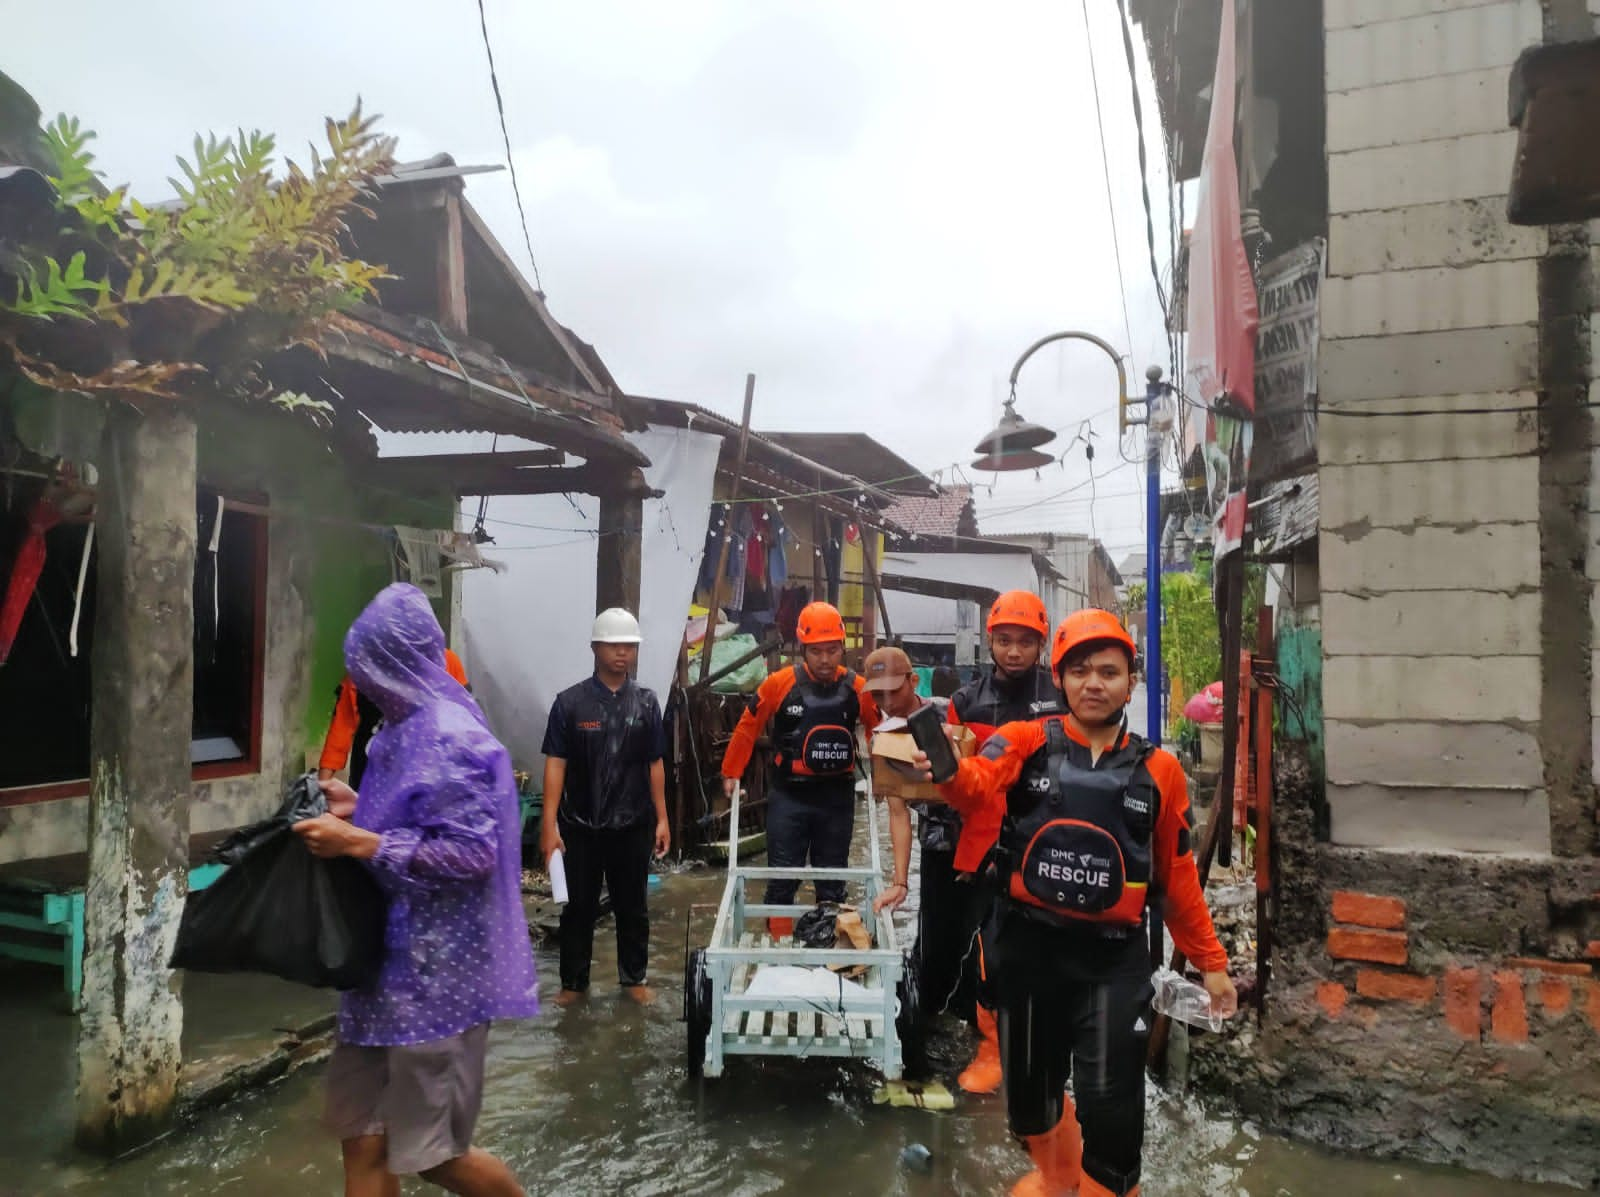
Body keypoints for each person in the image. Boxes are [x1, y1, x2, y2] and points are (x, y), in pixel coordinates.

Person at [918, 608, 1236, 1197]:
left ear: (1130, 682)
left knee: (1112, 1112)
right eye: (1080, 671)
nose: (1094, 683)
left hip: (1112, 963)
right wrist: (944, 766)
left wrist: (1212, 963)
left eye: (1109, 672)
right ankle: (1057, 1177)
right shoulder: (1023, 741)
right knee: (1029, 1108)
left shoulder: (1160, 770)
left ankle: (1103, 1187)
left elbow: (1176, 879)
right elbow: (973, 786)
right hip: (1028, 953)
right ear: (1060, 678)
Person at [291, 583, 537, 1197]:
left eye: (369, 668)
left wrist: (360, 843)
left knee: (434, 1156)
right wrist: (359, 808)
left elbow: (477, 853)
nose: (365, 684)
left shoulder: (452, 735)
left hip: (440, 980)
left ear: (395, 663)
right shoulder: (399, 729)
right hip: (380, 972)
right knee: (363, 1141)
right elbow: (415, 816)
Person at [937, 591, 1064, 1096]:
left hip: (1048, 839)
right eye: (1005, 641)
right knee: (989, 950)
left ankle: (1050, 1042)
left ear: (1041, 643)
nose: (1014, 652)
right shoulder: (966, 702)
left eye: (1025, 642)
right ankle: (990, 1046)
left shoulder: (1063, 696)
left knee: (1049, 948)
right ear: (990, 642)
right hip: (985, 845)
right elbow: (951, 780)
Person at [721, 601, 881, 938]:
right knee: (782, 880)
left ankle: (830, 951)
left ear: (842, 648)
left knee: (833, 882)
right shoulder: (779, 684)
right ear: (802, 648)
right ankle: (777, 948)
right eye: (817, 651)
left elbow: (878, 731)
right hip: (789, 797)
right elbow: (748, 725)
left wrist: (884, 778)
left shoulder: (859, 689)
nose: (825, 659)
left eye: (832, 650)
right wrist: (731, 772)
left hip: (837, 798)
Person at [539, 608, 671, 1008]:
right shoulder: (570, 704)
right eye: (614, 644)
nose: (621, 653)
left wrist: (662, 818)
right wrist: (549, 824)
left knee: (633, 908)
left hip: (632, 825)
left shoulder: (646, 703)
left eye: (629, 646)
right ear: (595, 647)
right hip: (580, 826)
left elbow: (655, 764)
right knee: (577, 910)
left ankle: (633, 979)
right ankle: (573, 984)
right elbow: (555, 765)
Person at [318, 648, 469, 787]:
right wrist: (321, 788)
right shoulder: (363, 667)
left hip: (429, 776)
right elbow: (342, 727)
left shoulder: (446, 661)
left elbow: (467, 724)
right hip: (371, 775)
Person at [858, 644, 935, 917]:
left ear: (913, 681)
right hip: (935, 841)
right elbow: (897, 811)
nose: (888, 702)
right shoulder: (884, 739)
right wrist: (900, 882)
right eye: (879, 694)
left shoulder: (949, 714)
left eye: (895, 691)